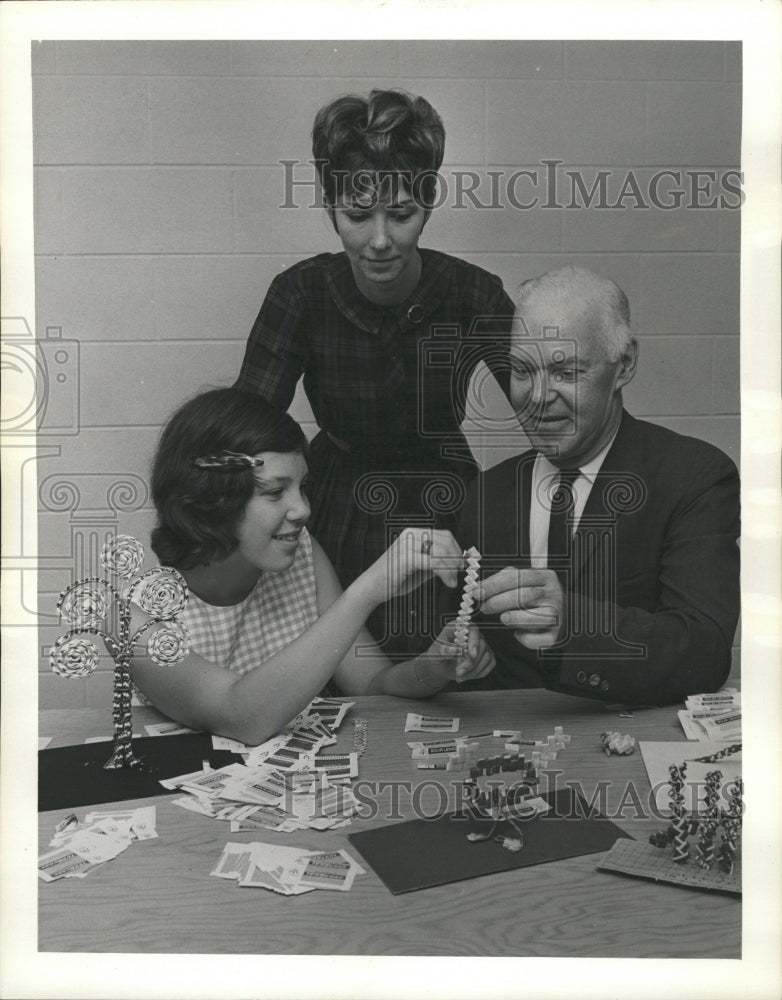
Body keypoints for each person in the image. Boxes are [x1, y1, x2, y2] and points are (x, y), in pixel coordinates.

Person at [235, 88, 516, 659]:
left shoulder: (472, 292)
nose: (381, 239)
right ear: (330, 206)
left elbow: (548, 414)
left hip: (445, 497)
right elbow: (247, 431)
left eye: (403, 214)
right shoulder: (301, 293)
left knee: (447, 663)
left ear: (430, 202)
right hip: (337, 499)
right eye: (358, 215)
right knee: (338, 668)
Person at [127, 388, 494, 745]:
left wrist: (430, 668)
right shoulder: (137, 616)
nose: (303, 509)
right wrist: (367, 590)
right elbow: (240, 718)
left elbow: (369, 684)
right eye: (274, 492)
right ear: (211, 500)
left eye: (302, 487)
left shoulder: (302, 553)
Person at [453, 265, 740, 706]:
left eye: (566, 373)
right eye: (523, 371)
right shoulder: (488, 493)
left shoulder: (694, 477)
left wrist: (575, 623)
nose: (537, 396)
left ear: (623, 366)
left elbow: (704, 653)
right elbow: (466, 654)